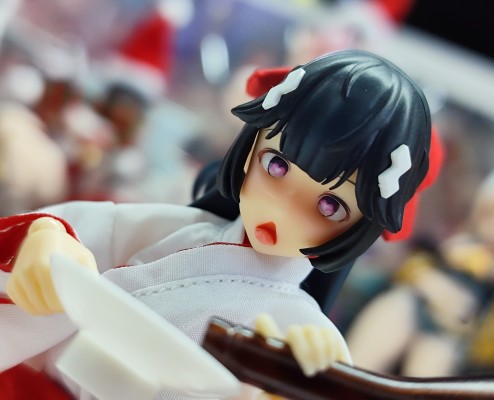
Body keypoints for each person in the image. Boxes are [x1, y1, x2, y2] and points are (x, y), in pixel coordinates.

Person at [0, 50, 436, 399]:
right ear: (252, 146)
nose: (283, 210)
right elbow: (71, 232)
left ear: (359, 227)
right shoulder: (177, 230)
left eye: (329, 205)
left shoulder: (303, 335)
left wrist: (295, 385)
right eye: (277, 165)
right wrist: (45, 239)